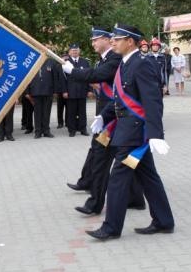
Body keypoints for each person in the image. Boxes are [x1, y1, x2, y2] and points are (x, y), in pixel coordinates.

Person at [86, 24, 174, 241]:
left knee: (117, 178)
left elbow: (153, 102)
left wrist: (155, 134)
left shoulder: (142, 64)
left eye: (118, 38)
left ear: (131, 42)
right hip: (127, 130)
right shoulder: (125, 64)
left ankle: (111, 228)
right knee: (148, 176)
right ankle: (164, 221)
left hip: (135, 134)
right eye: (113, 38)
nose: (113, 41)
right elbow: (120, 98)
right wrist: (103, 117)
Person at [63, 27, 145, 214]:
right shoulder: (107, 59)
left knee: (102, 158)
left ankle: (95, 203)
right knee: (123, 160)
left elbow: (98, 76)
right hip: (108, 117)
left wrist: (73, 71)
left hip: (114, 119)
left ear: (108, 40)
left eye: (96, 40)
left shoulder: (115, 58)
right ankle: (135, 198)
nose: (93, 44)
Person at [25, 59, 62, 139]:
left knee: (46, 112)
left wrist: (55, 91)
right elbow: (27, 78)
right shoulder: (32, 61)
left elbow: (55, 77)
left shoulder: (51, 62)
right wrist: (27, 92)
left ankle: (46, 131)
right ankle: (38, 132)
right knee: (37, 113)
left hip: (48, 91)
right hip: (35, 91)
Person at [62, 44, 90, 137]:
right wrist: (64, 91)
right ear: (69, 52)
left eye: (76, 50)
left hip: (82, 90)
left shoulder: (85, 62)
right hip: (71, 91)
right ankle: (72, 130)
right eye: (73, 50)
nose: (75, 52)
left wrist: (90, 90)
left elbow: (89, 77)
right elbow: (63, 79)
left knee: (82, 111)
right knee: (71, 111)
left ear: (79, 51)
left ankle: (83, 129)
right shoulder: (65, 63)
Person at [56, 54, 69, 129]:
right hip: (60, 91)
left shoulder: (69, 66)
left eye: (66, 59)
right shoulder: (57, 67)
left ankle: (68, 122)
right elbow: (56, 79)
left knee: (69, 107)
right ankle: (60, 123)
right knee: (60, 108)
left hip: (69, 90)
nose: (65, 60)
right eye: (64, 59)